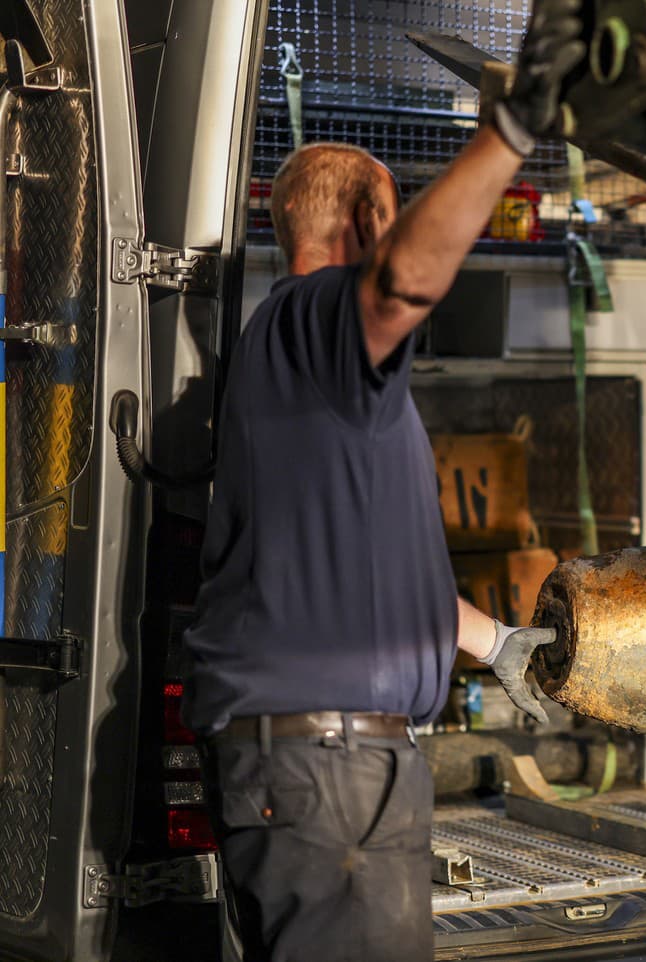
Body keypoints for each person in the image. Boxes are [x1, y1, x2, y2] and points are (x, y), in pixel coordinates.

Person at [179, 4, 586, 960]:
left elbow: (352, 575)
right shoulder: (322, 322)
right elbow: (402, 285)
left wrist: (499, 644)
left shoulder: (306, 379)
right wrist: (509, 132)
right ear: (372, 217)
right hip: (330, 774)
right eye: (395, 217)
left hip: (317, 770)